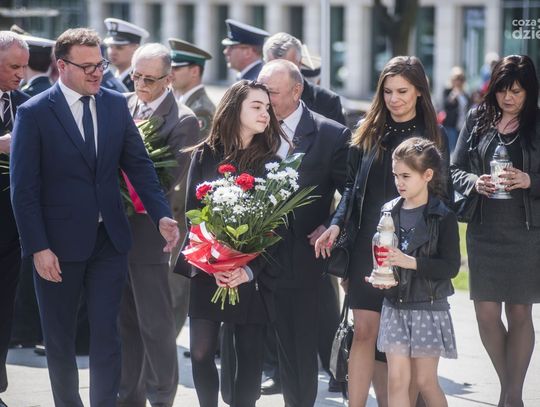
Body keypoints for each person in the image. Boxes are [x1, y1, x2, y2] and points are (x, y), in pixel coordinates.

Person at [9, 28, 179, 407]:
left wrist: (161, 216)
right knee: (59, 338)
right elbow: (24, 190)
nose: (97, 72)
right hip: (56, 247)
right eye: (86, 66)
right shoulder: (34, 113)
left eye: (99, 64)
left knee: (108, 335)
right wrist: (38, 247)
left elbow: (139, 166)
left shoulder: (115, 104)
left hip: (109, 242)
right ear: (62, 66)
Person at [315, 56, 450, 407]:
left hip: (412, 249)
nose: (394, 99)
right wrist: (335, 224)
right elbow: (351, 189)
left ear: (419, 91)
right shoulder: (368, 131)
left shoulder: (433, 137)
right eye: (388, 91)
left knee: (400, 345)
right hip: (368, 245)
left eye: (402, 91)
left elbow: (442, 196)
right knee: (364, 332)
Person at [175, 80, 284, 407]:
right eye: (257, 106)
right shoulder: (205, 153)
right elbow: (193, 214)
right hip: (208, 268)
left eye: (267, 108)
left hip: (250, 275)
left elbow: (276, 226)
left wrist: (246, 271)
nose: (265, 114)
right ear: (236, 109)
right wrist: (216, 262)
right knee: (200, 352)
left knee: (249, 356)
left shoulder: (270, 162)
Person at [258, 59, 350, 407]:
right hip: (253, 256)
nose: (264, 100)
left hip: (301, 259)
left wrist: (331, 224)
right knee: (258, 345)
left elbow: (350, 192)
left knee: (299, 348)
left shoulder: (330, 135)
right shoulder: (252, 126)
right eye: (261, 91)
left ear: (297, 91)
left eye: (272, 92)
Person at [450, 54, 540, 407]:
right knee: (486, 315)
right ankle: (511, 392)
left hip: (526, 233)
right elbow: (454, 169)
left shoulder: (537, 123)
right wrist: (475, 181)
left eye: (516, 91)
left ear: (529, 91)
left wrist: (530, 179)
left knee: (519, 313)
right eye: (502, 90)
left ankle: (511, 397)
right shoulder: (478, 119)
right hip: (484, 231)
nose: (508, 98)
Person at [119, 42, 200, 407]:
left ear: (169, 79)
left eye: (149, 79)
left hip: (152, 230)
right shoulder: (123, 105)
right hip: (117, 227)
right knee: (124, 318)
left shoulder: (182, 120)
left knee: (155, 321)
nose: (140, 85)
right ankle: (128, 396)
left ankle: (162, 396)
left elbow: (165, 181)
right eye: (135, 76)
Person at [370, 137, 460, 407]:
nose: (399, 182)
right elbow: (381, 256)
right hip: (394, 307)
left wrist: (411, 262)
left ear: (427, 175)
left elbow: (451, 267)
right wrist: (379, 276)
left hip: (428, 308)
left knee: (424, 382)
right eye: (396, 175)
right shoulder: (388, 211)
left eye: (406, 176)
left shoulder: (443, 216)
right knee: (396, 380)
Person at [167, 37, 216, 338]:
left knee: (176, 289)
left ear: (195, 71)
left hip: (184, 212)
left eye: (177, 67)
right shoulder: (184, 104)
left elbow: (194, 167)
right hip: (175, 210)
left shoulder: (201, 111)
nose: (170, 72)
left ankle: (164, 353)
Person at [0, 30, 29, 407]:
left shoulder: (26, 105)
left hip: (11, 231)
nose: (21, 74)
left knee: (4, 308)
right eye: (12, 66)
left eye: (24, 66)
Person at [263, 32, 345, 125]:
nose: (280, 75)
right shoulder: (252, 97)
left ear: (300, 63)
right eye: (273, 68)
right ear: (264, 64)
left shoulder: (327, 102)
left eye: (288, 67)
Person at [104, 18, 149, 92]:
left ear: (135, 48)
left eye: (119, 47)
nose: (112, 52)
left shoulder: (140, 82)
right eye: (110, 46)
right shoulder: (108, 78)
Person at [441, 66, 471, 153]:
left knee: (461, 150)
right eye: (456, 79)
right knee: (452, 150)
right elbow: (445, 105)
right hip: (451, 125)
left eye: (461, 79)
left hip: (463, 125)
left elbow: (468, 107)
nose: (458, 82)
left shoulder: (465, 93)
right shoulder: (447, 91)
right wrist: (452, 97)